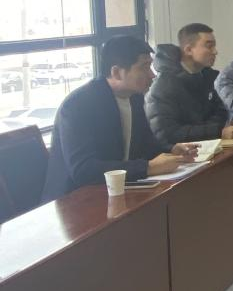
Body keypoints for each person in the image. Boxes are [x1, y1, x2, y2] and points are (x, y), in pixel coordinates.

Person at [42, 35, 196, 200]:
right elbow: (84, 170)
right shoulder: (78, 105)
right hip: (74, 200)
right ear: (116, 72)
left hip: (117, 190)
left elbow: (145, 144)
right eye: (144, 67)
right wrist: (148, 167)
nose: (152, 75)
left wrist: (171, 150)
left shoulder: (134, 97)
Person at [146, 23, 233, 146]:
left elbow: (221, 111)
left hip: (211, 145)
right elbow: (168, 133)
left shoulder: (210, 77)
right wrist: (217, 131)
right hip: (183, 152)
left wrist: (212, 130)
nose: (215, 51)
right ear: (188, 50)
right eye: (209, 46)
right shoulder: (163, 86)